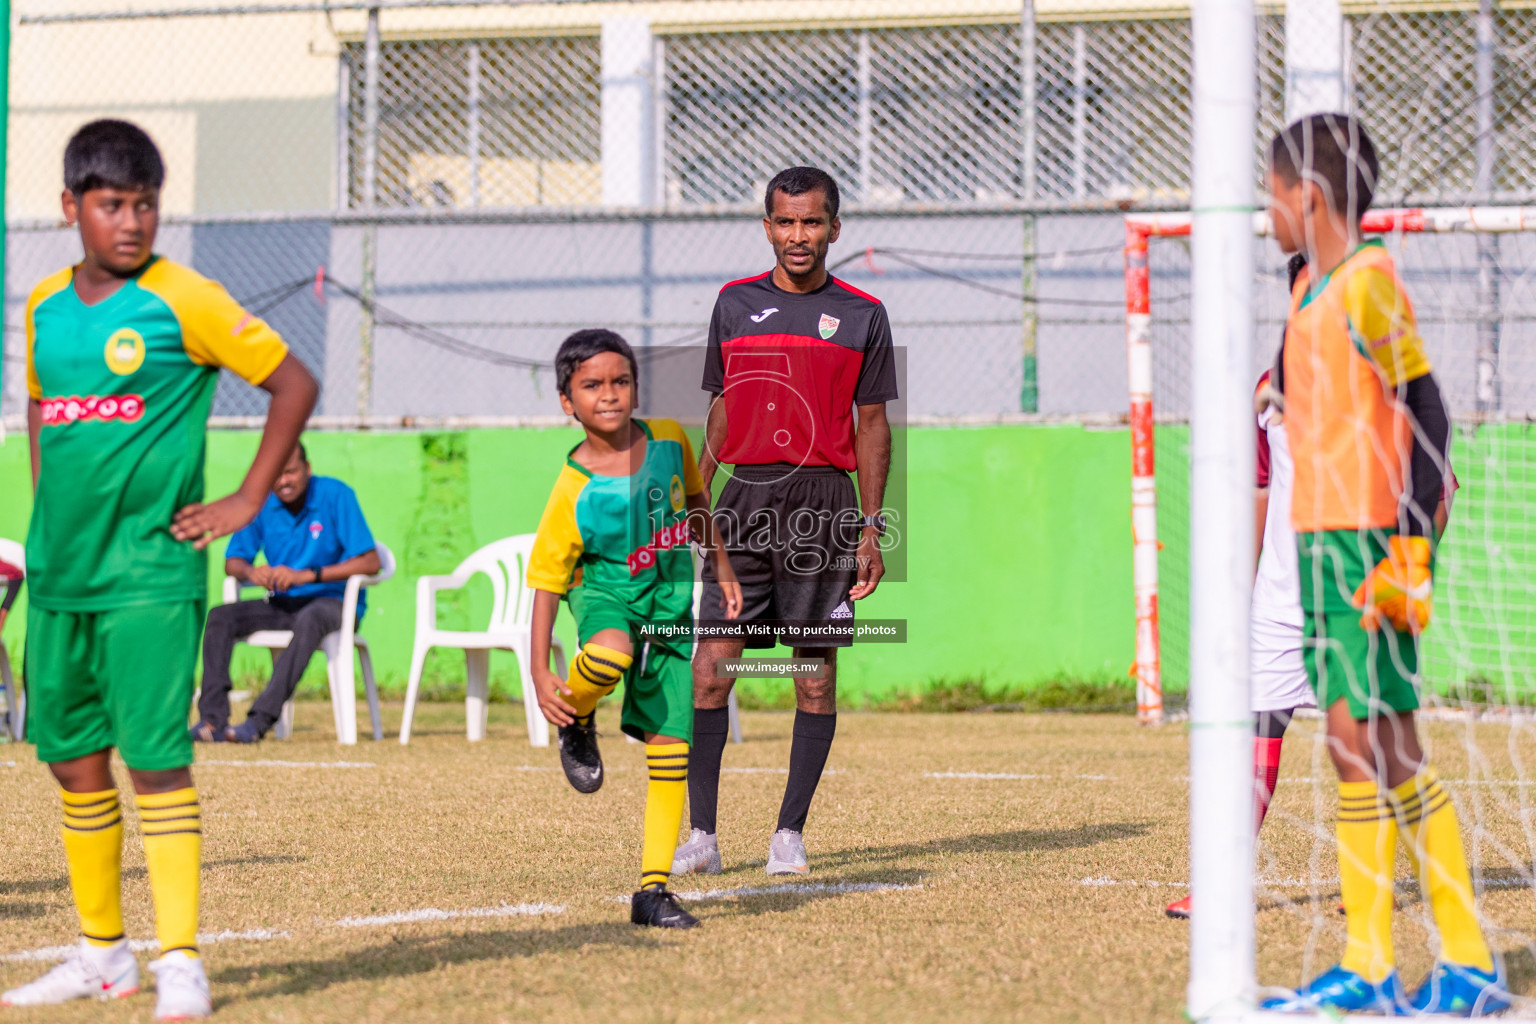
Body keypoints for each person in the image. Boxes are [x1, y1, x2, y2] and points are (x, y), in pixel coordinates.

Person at [1, 119, 316, 1018]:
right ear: (72, 208)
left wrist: (245, 503)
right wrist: (45, 516)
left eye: (145, 205)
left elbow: (292, 382)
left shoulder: (187, 299)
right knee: (71, 762)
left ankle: (178, 958)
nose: (131, 222)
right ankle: (105, 956)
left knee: (155, 761)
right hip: (62, 577)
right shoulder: (43, 305)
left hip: (150, 575)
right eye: (112, 205)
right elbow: (37, 405)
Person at [1258, 114, 1506, 1016]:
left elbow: (1428, 414)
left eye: (1273, 197)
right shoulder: (1311, 290)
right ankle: (1370, 963)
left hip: (1369, 544)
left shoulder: (1367, 282)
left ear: (1309, 197)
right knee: (1353, 747)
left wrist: (1408, 547)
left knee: (1388, 748)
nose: (1268, 214)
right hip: (1323, 543)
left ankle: (1461, 963)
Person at [674, 166, 898, 879]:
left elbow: (872, 426)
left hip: (822, 508)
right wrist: (696, 499)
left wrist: (869, 528)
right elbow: (720, 409)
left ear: (835, 227)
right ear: (766, 226)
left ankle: (788, 835)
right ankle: (701, 836)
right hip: (740, 504)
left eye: (812, 222)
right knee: (711, 667)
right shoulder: (733, 304)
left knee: (813, 676)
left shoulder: (864, 314)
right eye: (785, 222)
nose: (798, 236)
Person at [526, 329, 742, 930]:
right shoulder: (574, 487)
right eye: (592, 386)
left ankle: (652, 892)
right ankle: (577, 715)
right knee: (609, 654)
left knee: (672, 745)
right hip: (605, 597)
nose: (610, 395)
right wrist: (540, 670)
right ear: (568, 402)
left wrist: (719, 564)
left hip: (669, 612)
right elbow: (546, 580)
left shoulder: (670, 439)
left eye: (620, 382)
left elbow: (697, 502)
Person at [191, 441, 380, 743]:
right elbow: (233, 561)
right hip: (283, 603)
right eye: (276, 475)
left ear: (307, 468)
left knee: (312, 617)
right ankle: (212, 721)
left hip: (334, 603)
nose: (283, 481)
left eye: (290, 472)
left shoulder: (336, 495)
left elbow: (371, 562)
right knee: (220, 616)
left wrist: (306, 575)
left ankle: (258, 721)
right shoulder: (262, 503)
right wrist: (253, 572)